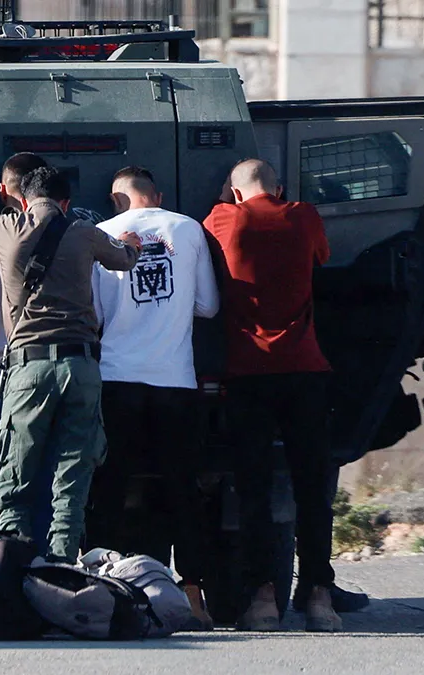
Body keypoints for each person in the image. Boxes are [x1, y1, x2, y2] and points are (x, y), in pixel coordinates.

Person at [0, 166, 142, 562]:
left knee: (14, 475)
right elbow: (124, 259)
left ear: (25, 199)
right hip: (81, 367)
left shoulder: (3, 228)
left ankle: (13, 564)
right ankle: (62, 565)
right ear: (66, 203)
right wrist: (130, 244)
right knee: (71, 474)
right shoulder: (83, 232)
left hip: (27, 370)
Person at [202, 158, 341, 632]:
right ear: (279, 189)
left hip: (248, 375)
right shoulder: (304, 216)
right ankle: (320, 596)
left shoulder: (226, 218)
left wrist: (230, 195)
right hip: (305, 370)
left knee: (255, 489)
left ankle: (263, 598)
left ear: (236, 192)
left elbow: (216, 218)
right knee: (312, 487)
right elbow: (322, 256)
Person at [88, 166, 220, 629]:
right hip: (174, 380)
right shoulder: (188, 228)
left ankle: (105, 591)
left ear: (115, 198)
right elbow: (209, 305)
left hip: (117, 377)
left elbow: (96, 314)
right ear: (158, 194)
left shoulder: (100, 234)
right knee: (182, 488)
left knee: (109, 486)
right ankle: (194, 596)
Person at [0, 152, 55, 538]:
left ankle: (4, 572)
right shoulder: (69, 232)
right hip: (52, 368)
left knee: (2, 486)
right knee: (50, 484)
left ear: (2, 188)